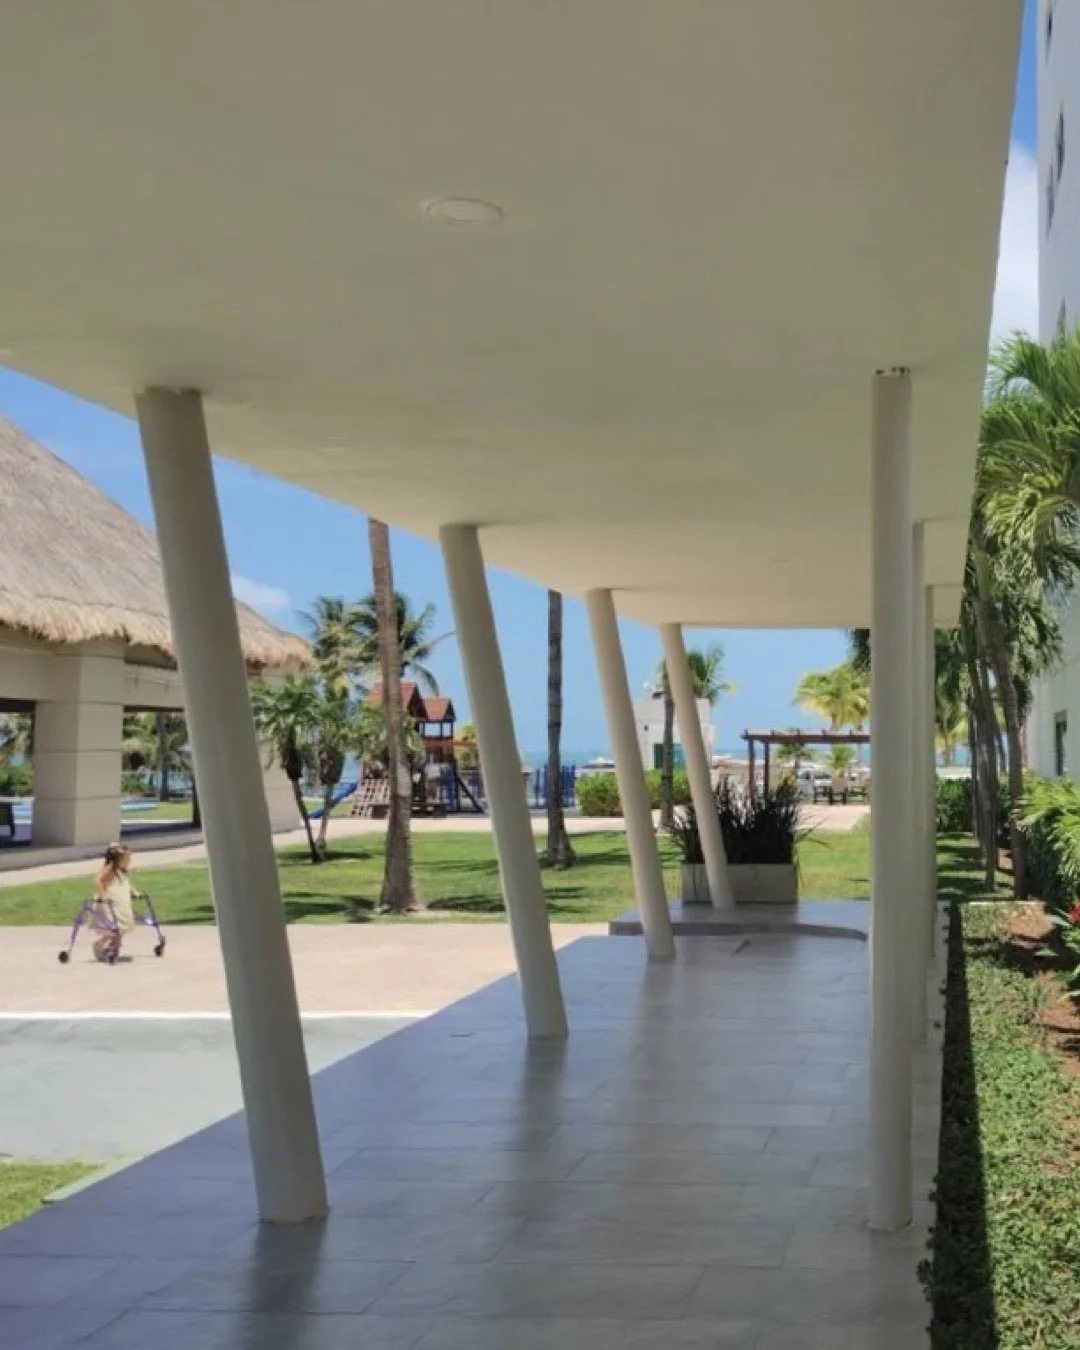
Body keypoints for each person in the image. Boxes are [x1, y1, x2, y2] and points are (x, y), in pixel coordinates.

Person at [92, 844, 139, 963]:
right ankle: (102, 946)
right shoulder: (110, 869)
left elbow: (126, 883)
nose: (129, 861)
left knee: (122, 926)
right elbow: (98, 880)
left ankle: (111, 947)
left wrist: (134, 892)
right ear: (117, 859)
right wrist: (103, 896)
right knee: (113, 928)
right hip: (109, 904)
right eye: (126, 859)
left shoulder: (122, 871)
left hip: (120, 905)